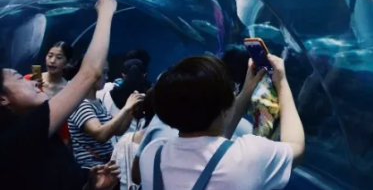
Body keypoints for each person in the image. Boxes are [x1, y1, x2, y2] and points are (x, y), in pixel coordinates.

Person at [0, 0, 121, 190]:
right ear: (2, 99)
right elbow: (90, 73)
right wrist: (105, 13)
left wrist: (89, 185)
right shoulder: (19, 133)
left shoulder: (34, 136)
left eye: (59, 57)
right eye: (20, 78)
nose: (31, 80)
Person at [138, 54, 304, 190]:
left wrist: (246, 90)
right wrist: (281, 82)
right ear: (226, 103)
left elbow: (216, 142)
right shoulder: (250, 156)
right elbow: (296, 146)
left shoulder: (153, 154)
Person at [69, 62, 145, 171]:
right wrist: (126, 108)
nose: (107, 77)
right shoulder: (81, 104)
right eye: (104, 73)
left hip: (103, 166)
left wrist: (132, 110)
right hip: (90, 170)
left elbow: (117, 130)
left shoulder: (97, 102)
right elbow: (101, 135)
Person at [98, 58, 151, 139]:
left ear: (123, 74)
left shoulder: (105, 89)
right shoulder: (147, 98)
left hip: (109, 142)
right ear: (144, 75)